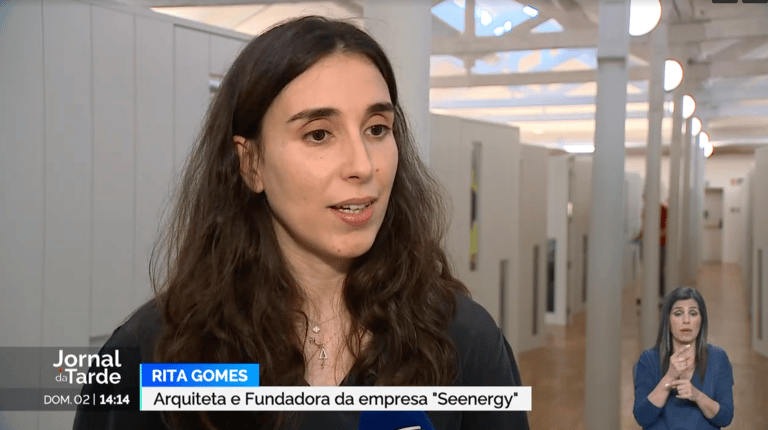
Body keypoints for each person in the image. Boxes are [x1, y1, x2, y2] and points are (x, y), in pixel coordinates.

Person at [73, 16, 529, 430]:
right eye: (318, 134)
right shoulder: (153, 356)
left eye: (377, 129)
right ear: (250, 164)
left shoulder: (464, 338)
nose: (362, 165)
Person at [633, 287, 734, 429]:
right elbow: (642, 417)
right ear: (668, 320)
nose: (686, 320)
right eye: (678, 313)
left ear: (701, 320)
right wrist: (669, 377)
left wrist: (697, 395)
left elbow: (725, 417)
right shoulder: (648, 360)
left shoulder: (718, 358)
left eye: (693, 313)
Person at [634, 200, 668, 298]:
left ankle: (661, 295)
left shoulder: (663, 209)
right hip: (647, 244)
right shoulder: (646, 210)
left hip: (660, 244)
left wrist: (654, 237)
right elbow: (644, 226)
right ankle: (650, 294)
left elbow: (666, 228)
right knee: (648, 269)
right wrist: (640, 235)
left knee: (659, 270)